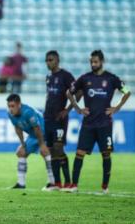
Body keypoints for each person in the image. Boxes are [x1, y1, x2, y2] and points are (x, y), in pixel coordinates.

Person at [65, 50, 131, 194]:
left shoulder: (111, 79)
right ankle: (74, 185)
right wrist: (77, 108)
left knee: (106, 154)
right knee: (79, 153)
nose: (93, 64)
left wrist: (117, 107)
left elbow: (127, 91)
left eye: (95, 61)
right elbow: (69, 92)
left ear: (101, 61)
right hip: (88, 124)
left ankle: (105, 187)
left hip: (104, 124)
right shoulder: (84, 78)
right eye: (91, 62)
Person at [44, 51, 79, 189]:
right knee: (51, 149)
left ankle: (69, 182)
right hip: (48, 118)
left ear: (57, 60)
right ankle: (57, 183)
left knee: (59, 148)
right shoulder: (48, 77)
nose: (48, 62)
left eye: (51, 59)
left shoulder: (66, 76)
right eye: (46, 60)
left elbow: (78, 92)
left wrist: (68, 109)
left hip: (59, 118)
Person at [7, 94, 56, 191]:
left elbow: (37, 128)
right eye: (9, 106)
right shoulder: (10, 114)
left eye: (13, 106)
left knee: (45, 152)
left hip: (44, 132)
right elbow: (17, 128)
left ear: (19, 104)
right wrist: (23, 143)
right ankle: (21, 184)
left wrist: (42, 145)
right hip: (33, 136)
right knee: (21, 152)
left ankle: (53, 182)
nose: (11, 109)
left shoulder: (28, 112)